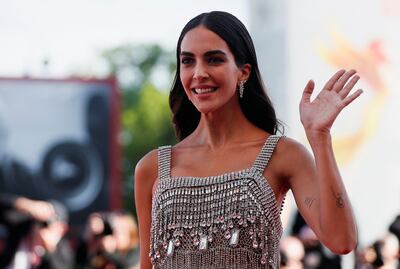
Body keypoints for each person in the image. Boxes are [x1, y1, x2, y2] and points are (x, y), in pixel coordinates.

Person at [134, 11, 361, 269]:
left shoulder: (283, 155)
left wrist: (320, 138)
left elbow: (342, 241)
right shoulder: (153, 167)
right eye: (188, 61)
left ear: (244, 72)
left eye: (214, 59)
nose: (199, 73)